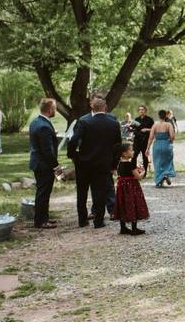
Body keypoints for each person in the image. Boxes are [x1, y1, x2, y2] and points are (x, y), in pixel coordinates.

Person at [69, 95, 122, 228]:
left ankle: (82, 220)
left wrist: (73, 156)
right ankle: (98, 221)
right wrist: (114, 165)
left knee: (82, 192)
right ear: (105, 108)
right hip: (103, 163)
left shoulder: (84, 122)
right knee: (100, 193)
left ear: (92, 107)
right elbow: (117, 147)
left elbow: (73, 140)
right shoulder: (114, 123)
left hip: (83, 163)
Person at [28, 98, 60, 229]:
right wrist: (56, 166)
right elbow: (47, 151)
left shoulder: (36, 122)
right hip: (43, 164)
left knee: (44, 192)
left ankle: (43, 217)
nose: (56, 111)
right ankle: (40, 221)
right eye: (55, 108)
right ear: (50, 109)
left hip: (38, 162)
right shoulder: (44, 126)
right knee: (43, 193)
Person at [113, 143, 149, 235]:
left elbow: (120, 174)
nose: (133, 152)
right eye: (131, 150)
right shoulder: (130, 164)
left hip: (122, 187)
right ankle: (134, 228)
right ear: (125, 153)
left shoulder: (119, 163)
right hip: (131, 187)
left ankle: (123, 227)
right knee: (133, 203)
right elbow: (138, 177)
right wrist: (143, 171)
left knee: (123, 204)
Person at [147, 109, 176, 188]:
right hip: (167, 145)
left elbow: (151, 137)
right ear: (165, 116)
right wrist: (170, 142)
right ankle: (166, 174)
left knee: (158, 163)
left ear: (159, 116)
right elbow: (172, 136)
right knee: (167, 161)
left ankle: (159, 181)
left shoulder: (155, 125)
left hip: (157, 145)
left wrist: (147, 148)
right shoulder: (168, 125)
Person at [132, 106, 153, 173]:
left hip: (145, 140)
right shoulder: (136, 119)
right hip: (137, 140)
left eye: (142, 110)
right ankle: (134, 171)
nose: (141, 111)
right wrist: (130, 128)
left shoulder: (150, 119)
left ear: (145, 111)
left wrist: (146, 129)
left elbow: (153, 129)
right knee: (134, 156)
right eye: (140, 110)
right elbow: (133, 129)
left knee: (145, 156)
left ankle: (145, 172)